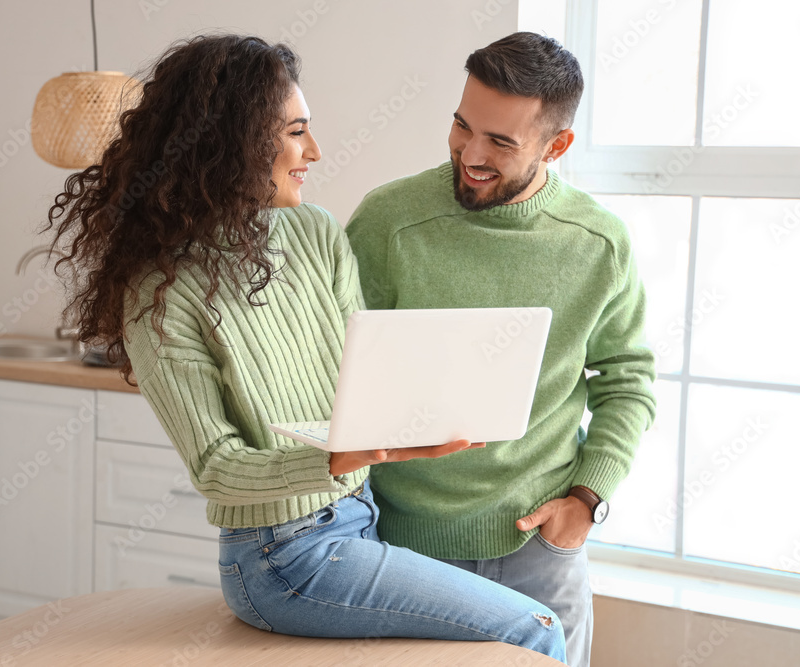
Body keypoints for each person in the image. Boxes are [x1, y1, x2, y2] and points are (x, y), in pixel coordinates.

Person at [41, 34, 567, 662]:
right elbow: (216, 467)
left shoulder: (314, 232)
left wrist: (428, 408)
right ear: (231, 143)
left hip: (360, 520)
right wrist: (340, 457)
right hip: (281, 557)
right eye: (295, 132)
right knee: (533, 628)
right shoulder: (161, 290)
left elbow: (364, 374)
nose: (314, 151)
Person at [345, 31, 657, 667]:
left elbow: (628, 380)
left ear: (557, 145)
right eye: (463, 126)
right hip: (400, 547)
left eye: (501, 142)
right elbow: (333, 367)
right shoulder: (388, 222)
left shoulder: (597, 244)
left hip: (538, 547)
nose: (471, 153)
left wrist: (587, 499)